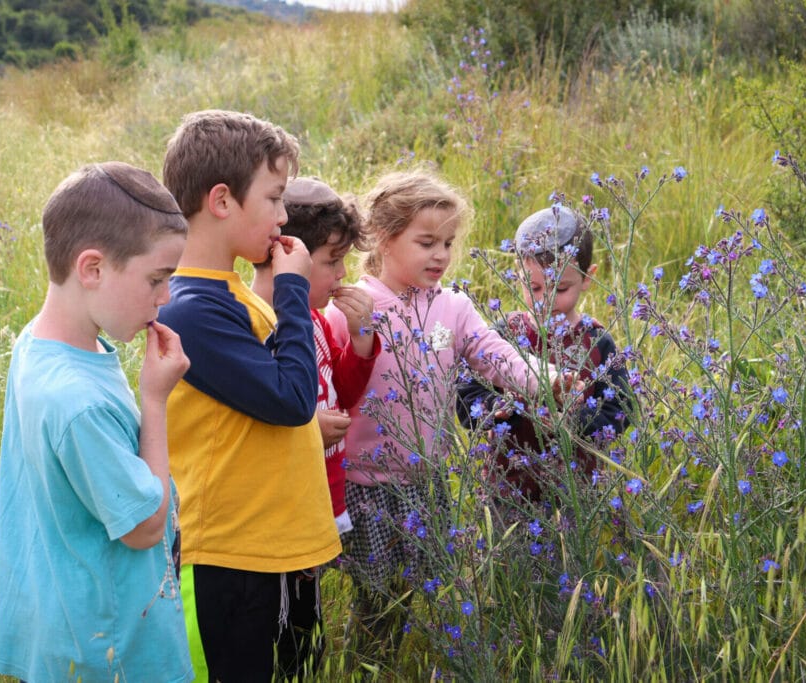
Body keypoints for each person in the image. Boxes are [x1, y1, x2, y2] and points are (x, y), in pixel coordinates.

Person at [323, 170, 578, 673]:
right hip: (364, 484)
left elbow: (494, 355)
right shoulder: (352, 308)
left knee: (425, 590)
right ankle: (367, 667)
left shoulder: (453, 307)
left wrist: (548, 378)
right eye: (426, 242)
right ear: (381, 238)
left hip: (428, 482)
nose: (441, 255)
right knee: (376, 603)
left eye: (448, 242)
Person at [0, 162, 193, 683]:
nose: (165, 297)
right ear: (93, 269)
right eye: (157, 278)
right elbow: (145, 527)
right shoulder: (77, 401)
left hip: (69, 624)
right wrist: (154, 399)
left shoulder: (40, 345)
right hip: (112, 648)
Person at [159, 111, 342, 682]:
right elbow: (291, 400)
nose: (284, 217)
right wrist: (292, 285)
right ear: (221, 201)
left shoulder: (232, 292)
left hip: (272, 547)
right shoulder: (191, 309)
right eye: (274, 198)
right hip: (233, 555)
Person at [251, 176, 382, 678]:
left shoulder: (318, 322)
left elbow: (342, 394)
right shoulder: (263, 324)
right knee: (285, 636)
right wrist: (308, 427)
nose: (343, 274)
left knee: (307, 629)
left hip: (318, 502)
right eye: (331, 261)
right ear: (289, 255)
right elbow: (265, 417)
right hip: (281, 514)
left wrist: (362, 337)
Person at [457, 203, 631, 502]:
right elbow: (465, 395)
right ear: (517, 275)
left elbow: (621, 412)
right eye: (534, 287)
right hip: (507, 487)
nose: (545, 302)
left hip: (575, 493)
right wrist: (499, 407)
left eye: (560, 289)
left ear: (588, 277)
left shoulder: (597, 342)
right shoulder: (502, 335)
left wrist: (577, 421)